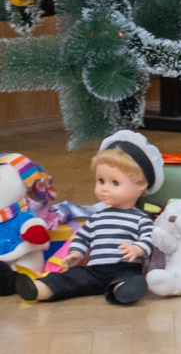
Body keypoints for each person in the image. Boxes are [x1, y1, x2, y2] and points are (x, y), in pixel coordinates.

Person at [14, 131, 160, 305]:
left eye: (115, 183)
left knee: (130, 279)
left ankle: (123, 290)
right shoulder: (97, 217)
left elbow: (149, 237)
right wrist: (76, 252)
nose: (104, 188)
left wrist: (137, 248)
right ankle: (40, 288)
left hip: (124, 268)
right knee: (72, 277)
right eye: (100, 181)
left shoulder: (140, 218)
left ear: (141, 186)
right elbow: (83, 237)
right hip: (93, 270)